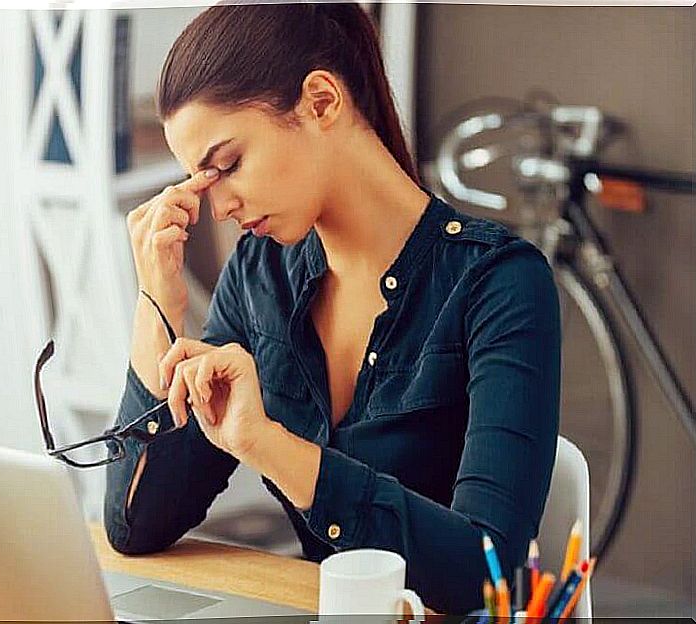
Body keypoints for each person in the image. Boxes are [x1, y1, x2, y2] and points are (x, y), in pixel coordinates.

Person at [104, 1, 560, 615]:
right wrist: (157, 299)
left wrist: (270, 446)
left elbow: (488, 571)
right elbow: (135, 527)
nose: (220, 207)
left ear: (321, 101)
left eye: (229, 165)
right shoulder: (257, 279)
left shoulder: (498, 283)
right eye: (202, 181)